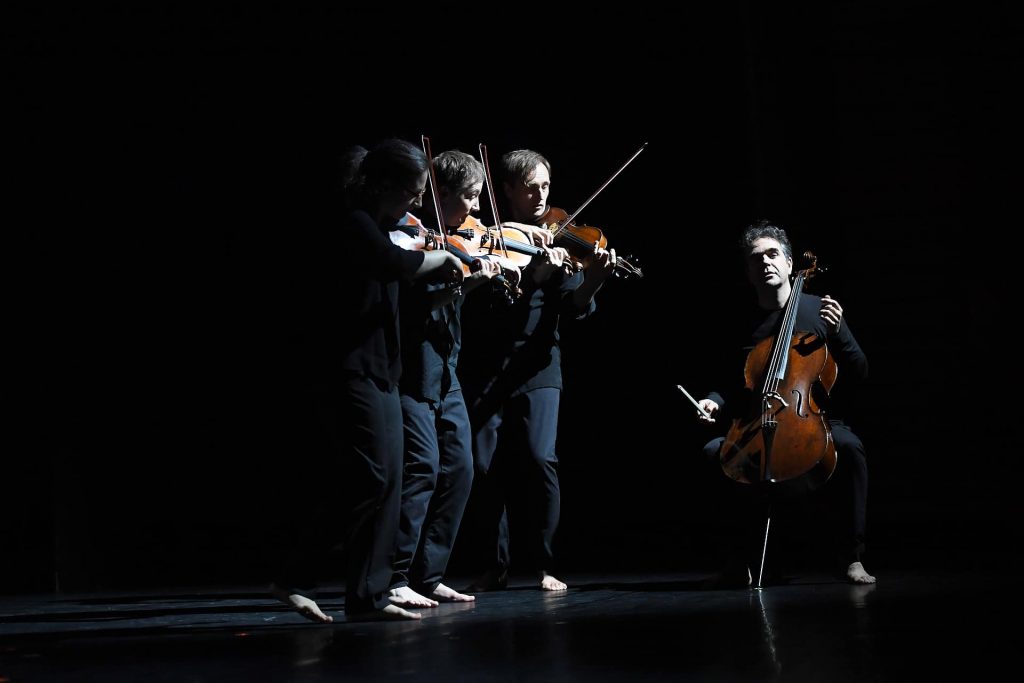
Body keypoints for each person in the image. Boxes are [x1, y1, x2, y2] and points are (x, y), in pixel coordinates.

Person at [271, 139, 465, 623]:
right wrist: (441, 258)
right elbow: (395, 265)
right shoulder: (355, 225)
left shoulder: (383, 228)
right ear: (383, 185)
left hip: (383, 368)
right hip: (350, 367)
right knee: (370, 477)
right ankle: (294, 576)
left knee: (391, 481)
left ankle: (369, 594)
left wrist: (460, 277)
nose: (418, 204)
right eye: (413, 192)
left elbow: (407, 299)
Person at [458, 149, 616, 592]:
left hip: (539, 365)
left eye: (545, 185)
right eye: (530, 186)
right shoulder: (489, 237)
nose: (541, 195)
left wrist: (593, 280)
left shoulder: (560, 240)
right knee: (482, 465)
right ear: (506, 190)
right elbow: (479, 306)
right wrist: (532, 279)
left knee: (539, 458)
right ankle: (495, 564)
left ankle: (546, 564)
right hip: (487, 364)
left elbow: (574, 309)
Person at [694, 220, 875, 585]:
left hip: (811, 417)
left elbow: (860, 371)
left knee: (851, 448)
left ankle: (852, 557)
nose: (765, 263)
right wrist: (712, 401)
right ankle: (736, 561)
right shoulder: (741, 323)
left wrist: (839, 331)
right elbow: (729, 382)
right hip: (756, 421)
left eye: (773, 254)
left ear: (791, 264)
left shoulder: (820, 310)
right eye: (756, 258)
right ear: (747, 271)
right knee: (714, 452)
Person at [386, 150, 515, 609]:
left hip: (447, 368)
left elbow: (453, 291)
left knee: (459, 468)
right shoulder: (402, 238)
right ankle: (396, 575)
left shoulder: (449, 240)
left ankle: (428, 574)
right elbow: (416, 307)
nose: (477, 209)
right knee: (422, 469)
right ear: (437, 195)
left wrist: (475, 278)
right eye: (469, 197)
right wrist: (465, 279)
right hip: (412, 369)